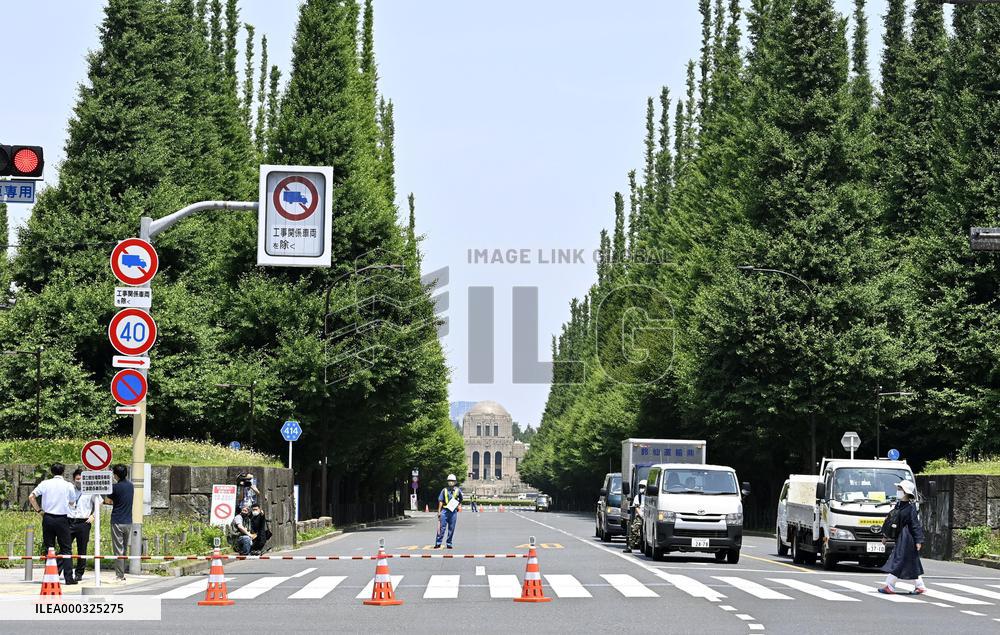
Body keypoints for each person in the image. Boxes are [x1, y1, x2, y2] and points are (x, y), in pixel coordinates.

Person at [28, 463, 77, 585]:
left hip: (48, 518)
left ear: (51, 472)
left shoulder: (45, 483)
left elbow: (31, 497)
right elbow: (72, 502)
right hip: (62, 519)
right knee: (66, 549)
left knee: (49, 548)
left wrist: (39, 510)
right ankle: (68, 578)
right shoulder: (68, 485)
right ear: (63, 472)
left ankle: (49, 577)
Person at [878, 479, 927, 594]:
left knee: (898, 560)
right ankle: (920, 586)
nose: (897, 491)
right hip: (901, 536)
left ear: (906, 492)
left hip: (907, 538)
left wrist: (918, 540)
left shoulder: (910, 508)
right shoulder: (899, 505)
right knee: (910, 562)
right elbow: (891, 521)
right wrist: (885, 535)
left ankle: (890, 586)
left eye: (900, 489)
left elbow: (915, 525)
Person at [68, 468, 101, 582]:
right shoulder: (70, 490)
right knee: (65, 548)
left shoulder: (90, 490)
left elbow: (100, 502)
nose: (79, 481)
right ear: (74, 479)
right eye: (77, 479)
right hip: (70, 521)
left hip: (84, 522)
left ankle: (79, 573)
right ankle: (61, 571)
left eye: (81, 479)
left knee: (82, 549)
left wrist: (93, 516)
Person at [104, 464, 133, 581]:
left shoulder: (114, 488)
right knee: (124, 549)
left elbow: (108, 500)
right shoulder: (131, 486)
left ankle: (120, 575)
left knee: (118, 549)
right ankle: (122, 573)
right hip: (128, 521)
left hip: (117, 520)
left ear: (116, 475)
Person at [434, 474, 464, 549]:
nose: (451, 482)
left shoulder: (457, 490)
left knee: (451, 528)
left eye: (452, 481)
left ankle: (449, 543)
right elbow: (440, 501)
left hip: (453, 512)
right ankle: (438, 543)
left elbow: (461, 499)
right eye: (449, 481)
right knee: (441, 528)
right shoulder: (444, 490)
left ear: (455, 482)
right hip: (444, 511)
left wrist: (458, 505)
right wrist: (439, 511)